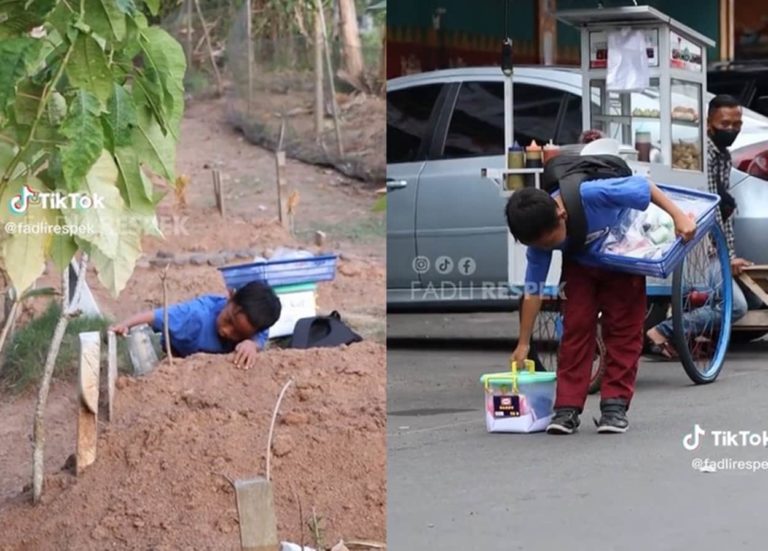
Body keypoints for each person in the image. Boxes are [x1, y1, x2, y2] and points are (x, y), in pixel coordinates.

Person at [506, 171, 696, 434]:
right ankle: (566, 408)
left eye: (552, 241)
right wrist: (523, 342)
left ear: (561, 215)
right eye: (541, 246)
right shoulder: (539, 239)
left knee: (623, 330)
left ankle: (614, 406)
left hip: (623, 255)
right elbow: (533, 290)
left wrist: (678, 216)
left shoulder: (591, 195)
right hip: (581, 266)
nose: (547, 248)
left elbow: (644, 186)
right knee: (575, 329)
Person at [645, 95, 761, 357]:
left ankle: (692, 322)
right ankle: (664, 330)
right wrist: (725, 256)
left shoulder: (723, 156)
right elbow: (709, 212)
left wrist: (730, 256)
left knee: (755, 299)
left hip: (716, 250)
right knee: (737, 307)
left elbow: (724, 212)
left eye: (737, 123)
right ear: (709, 123)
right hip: (701, 249)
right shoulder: (701, 156)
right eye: (725, 123)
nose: (732, 129)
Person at [110, 280, 282, 370]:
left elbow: (262, 332)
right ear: (229, 297)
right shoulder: (194, 316)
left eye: (239, 334)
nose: (226, 331)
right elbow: (155, 316)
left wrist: (253, 344)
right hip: (176, 349)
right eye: (229, 321)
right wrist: (124, 325)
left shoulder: (255, 322)